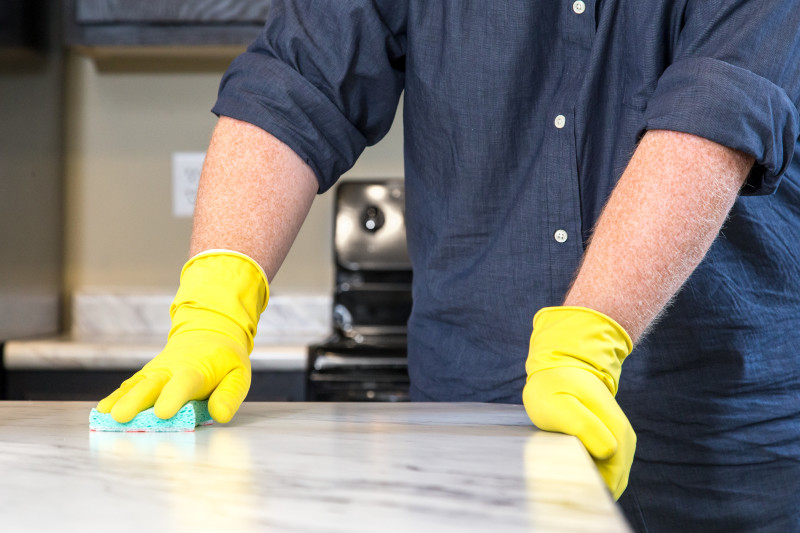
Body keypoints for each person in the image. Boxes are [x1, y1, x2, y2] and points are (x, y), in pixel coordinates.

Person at [96, 1, 800, 530]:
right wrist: (216, 302)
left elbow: (715, 116)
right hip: (481, 440)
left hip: (731, 447)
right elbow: (295, 81)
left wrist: (588, 340)